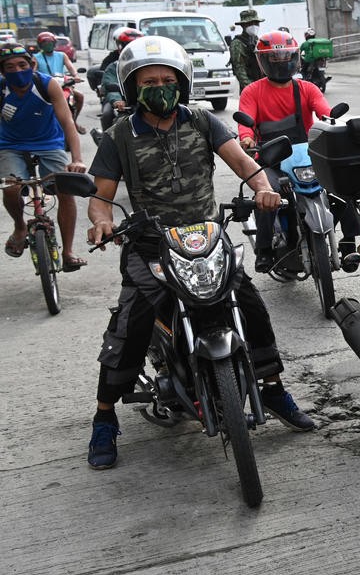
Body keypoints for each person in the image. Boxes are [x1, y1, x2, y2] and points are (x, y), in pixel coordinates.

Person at [84, 36, 314, 469]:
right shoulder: (119, 135)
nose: (159, 87)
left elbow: (246, 166)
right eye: (148, 81)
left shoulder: (203, 121)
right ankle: (104, 417)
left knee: (250, 305)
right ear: (132, 88)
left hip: (207, 236)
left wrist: (264, 190)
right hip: (150, 242)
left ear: (182, 83)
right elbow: (101, 197)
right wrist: (101, 221)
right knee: (131, 325)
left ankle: (272, 388)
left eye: (167, 79)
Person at [235, 30, 347, 273]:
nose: (281, 62)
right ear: (263, 62)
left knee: (343, 186)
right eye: (274, 58)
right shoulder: (252, 91)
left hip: (305, 156)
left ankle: (349, 240)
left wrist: (330, 120)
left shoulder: (307, 88)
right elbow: (246, 123)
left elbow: (323, 110)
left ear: (295, 58)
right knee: (266, 196)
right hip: (270, 158)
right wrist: (245, 138)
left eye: (286, 57)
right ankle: (264, 250)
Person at [0, 44, 88, 270]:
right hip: (10, 146)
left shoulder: (46, 84)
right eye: (9, 67)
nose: (17, 70)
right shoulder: (1, 89)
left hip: (49, 144)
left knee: (65, 189)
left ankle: (68, 252)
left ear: (32, 65)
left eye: (22, 65)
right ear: (2, 71)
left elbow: (68, 123)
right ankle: (20, 227)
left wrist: (76, 159)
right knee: (10, 188)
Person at [33, 31, 85, 131]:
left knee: (79, 96)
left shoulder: (61, 55)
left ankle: (74, 121)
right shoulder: (36, 57)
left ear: (54, 43)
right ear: (40, 45)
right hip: (45, 87)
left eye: (50, 43)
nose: (48, 45)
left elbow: (70, 67)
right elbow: (33, 71)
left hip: (63, 85)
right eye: (45, 44)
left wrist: (75, 76)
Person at [96, 28, 143, 134]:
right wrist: (116, 100)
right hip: (122, 103)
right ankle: (107, 141)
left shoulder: (148, 65)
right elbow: (109, 83)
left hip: (143, 103)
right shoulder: (114, 66)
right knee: (107, 114)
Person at [229, 8, 265, 91]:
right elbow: (239, 69)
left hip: (261, 85)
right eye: (250, 23)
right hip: (250, 89)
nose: (254, 26)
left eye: (256, 23)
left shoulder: (256, 40)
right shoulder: (237, 43)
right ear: (243, 25)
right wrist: (250, 88)